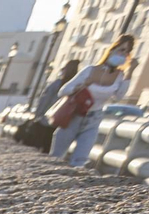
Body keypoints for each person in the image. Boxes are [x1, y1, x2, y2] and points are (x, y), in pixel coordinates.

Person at [51, 36, 135, 166]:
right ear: (112, 50)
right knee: (56, 156)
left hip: (94, 118)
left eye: (127, 52)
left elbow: (118, 97)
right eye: (121, 49)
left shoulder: (120, 76)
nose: (123, 54)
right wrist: (84, 84)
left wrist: (130, 72)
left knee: (80, 159)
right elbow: (63, 91)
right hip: (74, 115)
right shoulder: (90, 70)